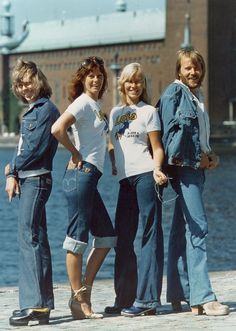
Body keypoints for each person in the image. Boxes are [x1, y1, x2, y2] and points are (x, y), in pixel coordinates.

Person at [157, 47, 230, 316]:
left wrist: (209, 155)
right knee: (198, 228)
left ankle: (181, 293)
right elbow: (171, 142)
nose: (193, 72)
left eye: (197, 67)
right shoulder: (175, 94)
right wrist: (200, 160)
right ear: (179, 70)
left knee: (182, 230)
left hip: (194, 168)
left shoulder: (194, 96)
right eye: (188, 67)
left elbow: (192, 136)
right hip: (185, 170)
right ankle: (203, 297)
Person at [51, 56, 117, 320]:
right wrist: (75, 153)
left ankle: (83, 291)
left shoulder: (96, 105)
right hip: (81, 175)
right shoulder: (82, 103)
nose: (96, 79)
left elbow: (100, 140)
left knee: (106, 237)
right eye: (91, 75)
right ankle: (78, 300)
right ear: (82, 79)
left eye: (100, 75)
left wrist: (111, 158)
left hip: (91, 177)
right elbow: (58, 129)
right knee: (77, 239)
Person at [105, 63, 167, 317]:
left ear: (143, 85)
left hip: (145, 176)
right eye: (130, 81)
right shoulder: (115, 112)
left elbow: (157, 146)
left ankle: (148, 300)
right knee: (123, 238)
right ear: (122, 85)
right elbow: (112, 144)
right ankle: (125, 298)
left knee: (149, 235)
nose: (134, 85)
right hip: (125, 182)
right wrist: (113, 164)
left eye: (139, 81)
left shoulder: (149, 111)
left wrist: (157, 168)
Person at [5, 59, 60, 326]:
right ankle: (42, 305)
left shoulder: (44, 110)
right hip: (30, 178)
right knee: (37, 237)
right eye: (20, 84)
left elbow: (34, 149)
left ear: (38, 80)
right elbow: (26, 149)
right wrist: (15, 173)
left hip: (36, 180)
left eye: (28, 82)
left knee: (29, 238)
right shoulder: (35, 109)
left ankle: (34, 304)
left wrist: (10, 170)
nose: (25, 88)